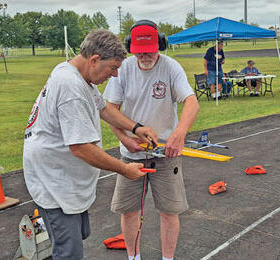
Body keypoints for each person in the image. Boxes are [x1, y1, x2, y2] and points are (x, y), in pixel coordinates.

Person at [23, 29, 158, 260]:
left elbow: (104, 109)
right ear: (95, 60)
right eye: (113, 68)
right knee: (69, 251)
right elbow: (80, 148)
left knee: (80, 232)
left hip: (64, 176)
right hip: (55, 181)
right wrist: (125, 169)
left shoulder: (78, 74)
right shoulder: (71, 87)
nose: (115, 75)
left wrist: (136, 128)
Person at [104, 20, 199, 260]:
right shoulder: (123, 68)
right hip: (130, 154)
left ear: (161, 44)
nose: (144, 55)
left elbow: (191, 101)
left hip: (166, 155)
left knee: (169, 212)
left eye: (150, 49)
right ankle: (133, 257)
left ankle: (168, 258)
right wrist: (123, 138)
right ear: (130, 47)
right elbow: (109, 108)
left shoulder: (171, 67)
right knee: (129, 211)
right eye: (139, 50)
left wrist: (179, 133)